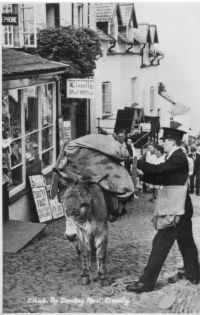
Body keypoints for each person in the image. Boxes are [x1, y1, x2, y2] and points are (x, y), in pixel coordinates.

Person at [126, 127, 199, 293]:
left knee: (159, 244)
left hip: (177, 208)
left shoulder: (179, 157)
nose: (162, 143)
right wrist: (141, 174)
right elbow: (160, 177)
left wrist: (136, 160)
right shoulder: (175, 156)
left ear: (172, 141)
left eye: (164, 140)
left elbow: (159, 170)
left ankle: (146, 283)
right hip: (180, 207)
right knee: (186, 243)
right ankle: (194, 274)